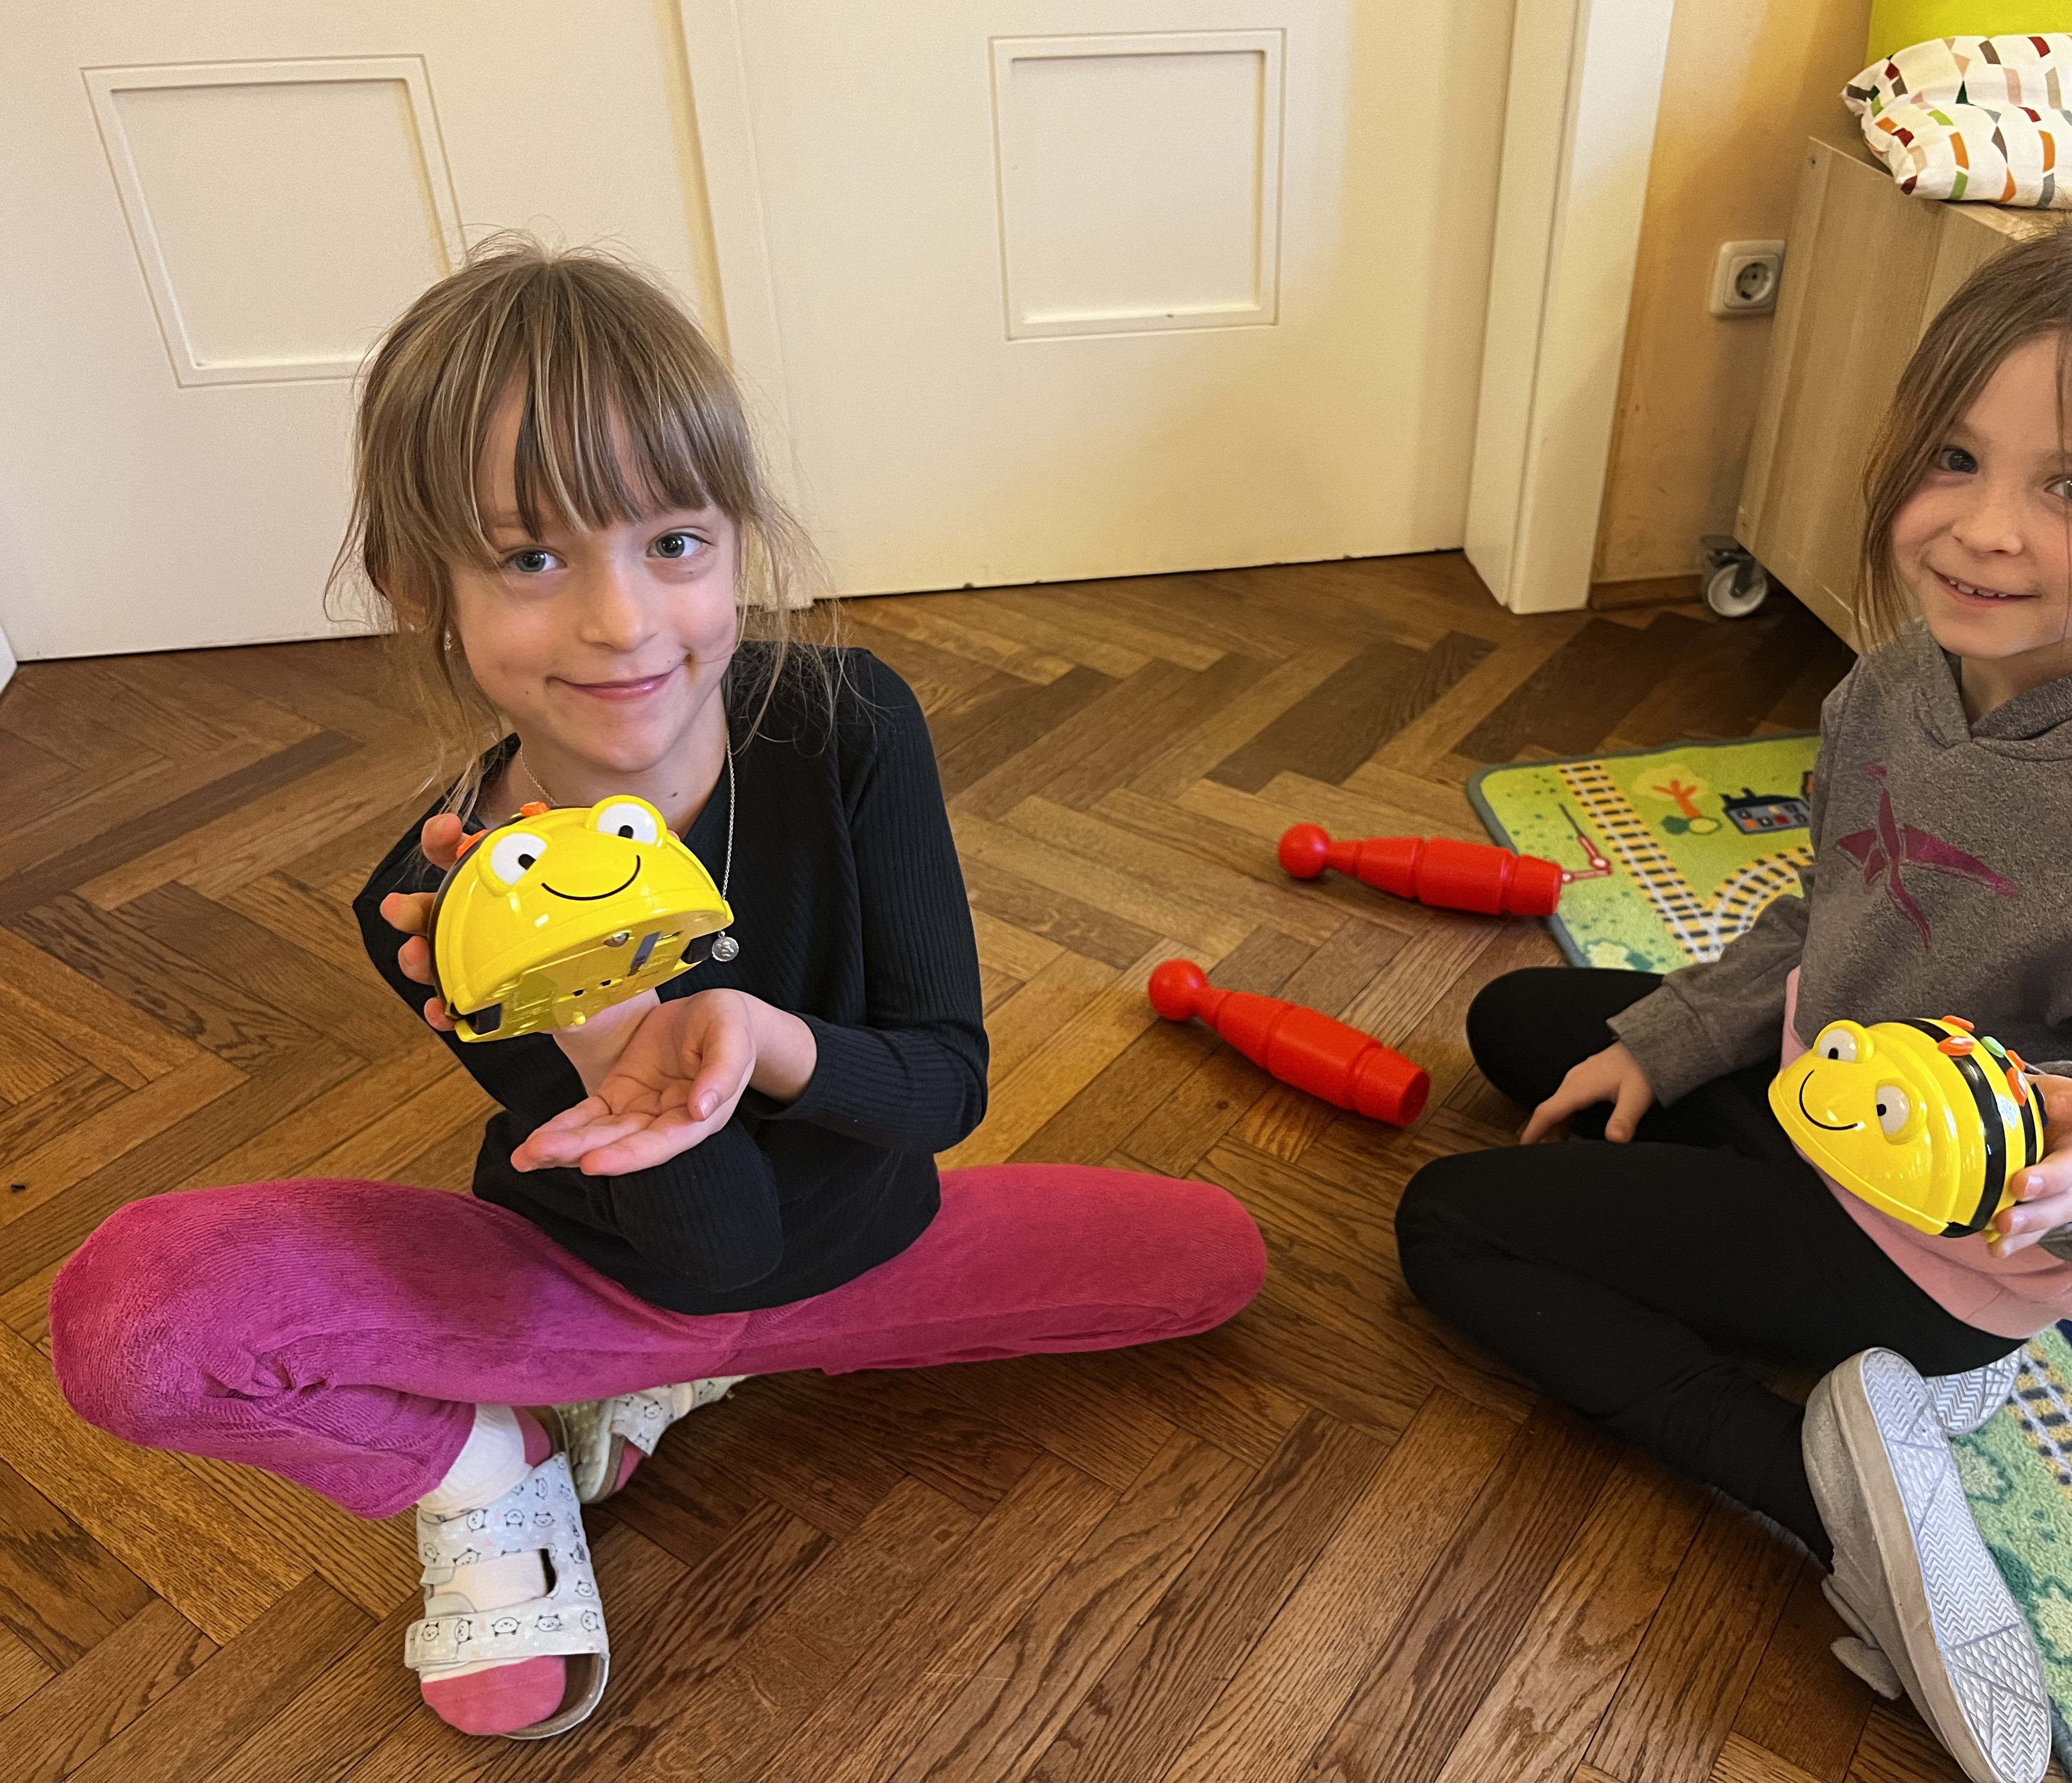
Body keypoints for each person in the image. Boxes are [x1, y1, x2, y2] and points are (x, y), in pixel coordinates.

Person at [48, 236, 1266, 1743]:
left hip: (877, 1247)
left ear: (741, 541)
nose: (623, 622)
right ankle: (491, 1468)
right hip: (603, 1284)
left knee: (1219, 1259)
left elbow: (946, 1089)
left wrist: (756, 1038)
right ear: (419, 588)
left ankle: (654, 1399)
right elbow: (712, 1257)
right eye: (532, 559)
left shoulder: (850, 722)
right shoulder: (429, 902)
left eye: (674, 542)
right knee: (139, 1328)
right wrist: (606, 1026)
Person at [1396, 210, 2072, 1783]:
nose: (1981, 531)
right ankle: (1770, 1247)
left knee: (1452, 1224)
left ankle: (1822, 1488)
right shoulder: (1903, 677)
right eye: (1955, 458)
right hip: (1837, 1092)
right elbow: (1840, 907)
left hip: (1939, 1254)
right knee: (1526, 1032)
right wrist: (1673, 1042)